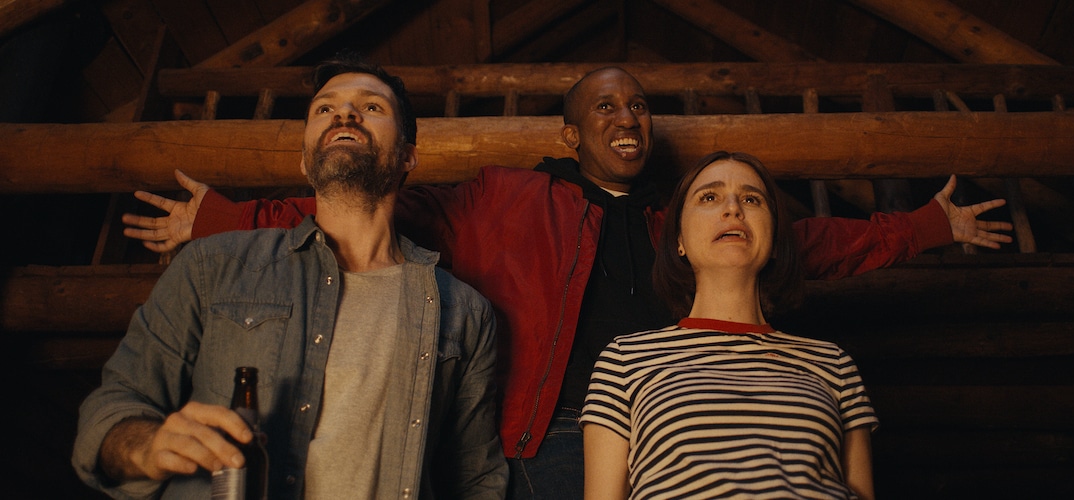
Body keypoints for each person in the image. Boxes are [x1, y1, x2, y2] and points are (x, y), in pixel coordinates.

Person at [121, 66, 1011, 498]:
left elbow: (807, 241)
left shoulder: (685, 219)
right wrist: (220, 220)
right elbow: (362, 203)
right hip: (532, 440)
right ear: (571, 132)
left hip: (650, 446)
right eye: (605, 108)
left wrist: (931, 226)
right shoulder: (503, 197)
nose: (628, 119)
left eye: (638, 107)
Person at [72, 53, 507, 499]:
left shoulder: (463, 311)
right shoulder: (212, 266)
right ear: (304, 160)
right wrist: (146, 446)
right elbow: (113, 406)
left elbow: (476, 478)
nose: (345, 113)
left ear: (407, 156)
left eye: (371, 106)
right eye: (325, 107)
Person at [583, 151, 877, 499]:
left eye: (751, 199)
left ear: (774, 240)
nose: (733, 209)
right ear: (679, 240)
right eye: (709, 197)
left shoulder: (833, 364)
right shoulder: (625, 360)